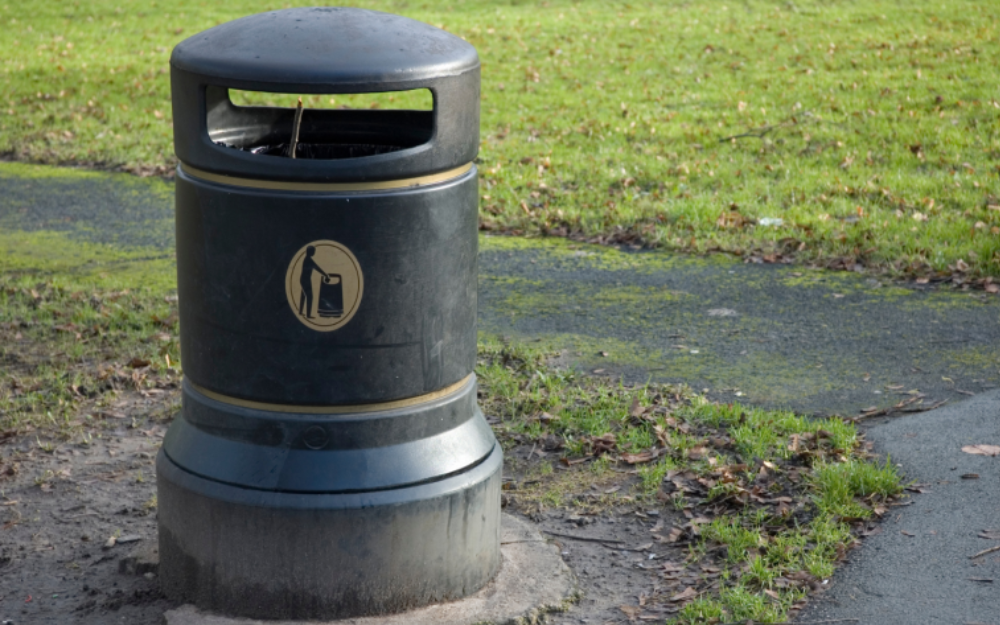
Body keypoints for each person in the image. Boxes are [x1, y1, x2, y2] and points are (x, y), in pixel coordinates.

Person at [298, 246, 330, 319]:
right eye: (313, 251)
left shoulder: (307, 259)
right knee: (309, 296)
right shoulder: (308, 260)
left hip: (304, 279)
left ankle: (300, 312)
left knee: (303, 295)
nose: (314, 252)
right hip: (305, 280)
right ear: (309, 252)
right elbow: (317, 268)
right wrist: (326, 275)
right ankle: (308, 315)